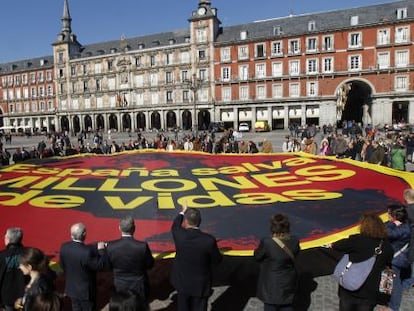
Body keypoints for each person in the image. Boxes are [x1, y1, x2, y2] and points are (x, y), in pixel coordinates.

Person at [331, 213, 393, 311]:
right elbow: (388, 262)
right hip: (370, 291)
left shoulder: (357, 240)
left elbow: (337, 246)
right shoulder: (386, 246)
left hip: (349, 289)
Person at [170, 203, 223, 311]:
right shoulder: (208, 241)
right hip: (201, 286)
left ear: (185, 222)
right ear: (200, 222)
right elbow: (217, 260)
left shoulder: (180, 236)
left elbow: (175, 225)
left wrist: (182, 211)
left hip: (183, 284)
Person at [254, 214, 300, 311]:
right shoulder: (294, 240)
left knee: (270, 306)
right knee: (287, 305)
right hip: (288, 280)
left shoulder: (267, 242)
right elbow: (296, 253)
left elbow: (257, 256)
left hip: (271, 283)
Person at [105, 216, 154, 303]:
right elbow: (150, 264)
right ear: (134, 228)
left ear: (119, 228)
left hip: (119, 284)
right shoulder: (142, 246)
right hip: (138, 284)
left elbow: (108, 265)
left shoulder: (111, 246)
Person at [59, 223, 106, 311]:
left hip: (72, 289)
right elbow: (100, 266)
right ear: (84, 234)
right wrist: (101, 251)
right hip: (85, 292)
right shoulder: (87, 252)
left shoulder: (64, 247)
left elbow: (62, 265)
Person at [385, 205, 411, 311]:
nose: (387, 215)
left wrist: (391, 223)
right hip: (394, 257)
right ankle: (386, 300)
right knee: (389, 279)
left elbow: (389, 233)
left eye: (389, 213)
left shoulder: (403, 230)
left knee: (396, 283)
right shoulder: (404, 225)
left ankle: (393, 307)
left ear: (394, 216)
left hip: (397, 259)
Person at [0, 227, 26, 311]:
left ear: (7, 239)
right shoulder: (28, 253)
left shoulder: (2, 255)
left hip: (7, 297)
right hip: (24, 296)